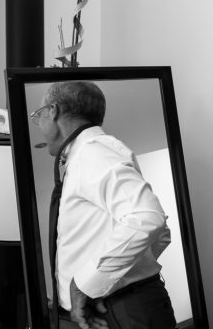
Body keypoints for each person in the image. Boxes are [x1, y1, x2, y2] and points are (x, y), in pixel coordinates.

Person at [30, 81, 176, 329]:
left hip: (123, 312)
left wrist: (87, 283)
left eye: (39, 115)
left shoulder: (94, 154)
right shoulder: (91, 153)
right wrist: (111, 278)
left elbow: (148, 218)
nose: (39, 126)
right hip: (117, 308)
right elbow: (160, 235)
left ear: (53, 111)